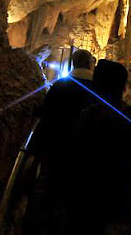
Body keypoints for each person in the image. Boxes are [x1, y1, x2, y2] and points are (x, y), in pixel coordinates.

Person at [72, 60, 131, 234]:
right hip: (118, 195)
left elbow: (75, 152)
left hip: (86, 194)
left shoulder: (87, 115)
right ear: (123, 86)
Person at [32, 49, 96, 234]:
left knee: (53, 190)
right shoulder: (98, 89)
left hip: (56, 149)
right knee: (79, 198)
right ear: (90, 64)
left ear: (73, 64)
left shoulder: (60, 86)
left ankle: (48, 223)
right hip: (85, 154)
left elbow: (45, 112)